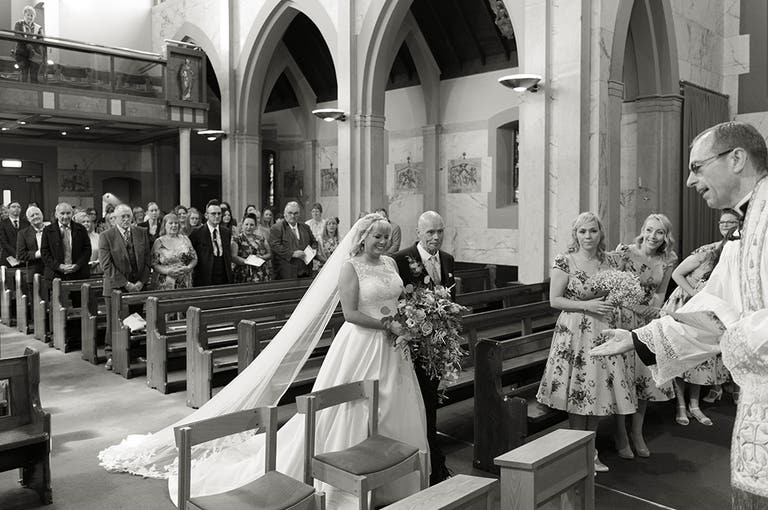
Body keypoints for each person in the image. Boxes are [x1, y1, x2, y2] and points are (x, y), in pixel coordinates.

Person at [99, 213, 428, 508]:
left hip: (392, 346)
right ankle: (342, 473)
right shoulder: (350, 266)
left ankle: (391, 476)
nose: (383, 242)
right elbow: (352, 313)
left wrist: (409, 320)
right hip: (362, 345)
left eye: (387, 237)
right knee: (352, 407)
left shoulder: (390, 264)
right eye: (377, 236)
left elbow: (397, 299)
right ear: (362, 237)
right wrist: (390, 325)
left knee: (393, 403)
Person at [591, 120, 768, 508]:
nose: (690, 181)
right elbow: (717, 309)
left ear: (736, 158)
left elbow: (732, 324)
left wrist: (736, 340)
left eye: (697, 167)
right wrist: (641, 339)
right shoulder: (746, 224)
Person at [535, 212, 635, 473]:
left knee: (596, 392)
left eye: (593, 231)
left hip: (602, 331)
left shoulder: (608, 261)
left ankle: (590, 449)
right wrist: (587, 305)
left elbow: (617, 289)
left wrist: (616, 301)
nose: (588, 236)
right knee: (577, 392)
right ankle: (579, 451)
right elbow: (554, 301)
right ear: (575, 234)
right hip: (575, 332)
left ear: (600, 233)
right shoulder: (564, 261)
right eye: (582, 231)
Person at [392, 211, 456, 485]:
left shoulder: (448, 260)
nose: (436, 237)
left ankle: (432, 457)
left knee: (431, 401)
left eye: (440, 231)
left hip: (438, 345)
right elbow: (395, 302)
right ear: (418, 233)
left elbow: (451, 299)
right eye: (430, 232)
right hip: (413, 346)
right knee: (419, 403)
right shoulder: (401, 259)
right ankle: (431, 461)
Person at [662, 210, 737, 426]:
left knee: (700, 359)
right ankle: (681, 406)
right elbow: (677, 274)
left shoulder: (732, 252)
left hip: (706, 310)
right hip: (686, 305)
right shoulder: (707, 251)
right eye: (723, 221)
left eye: (730, 222)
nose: (725, 225)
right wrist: (695, 293)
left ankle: (694, 405)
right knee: (682, 357)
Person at [612, 213, 677, 458]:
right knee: (623, 377)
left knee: (644, 378)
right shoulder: (626, 252)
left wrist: (654, 313)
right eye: (649, 230)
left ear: (665, 236)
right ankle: (620, 434)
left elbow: (661, 291)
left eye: (659, 232)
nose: (653, 236)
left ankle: (637, 432)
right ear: (642, 230)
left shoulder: (668, 258)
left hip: (646, 320)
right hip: (623, 317)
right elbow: (613, 285)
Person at [99, 204, 152, 370]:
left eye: (128, 216)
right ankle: (112, 354)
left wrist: (141, 283)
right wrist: (126, 284)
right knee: (115, 322)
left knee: (136, 320)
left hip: (137, 285)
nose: (126, 219)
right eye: (122, 216)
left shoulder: (140, 233)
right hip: (116, 287)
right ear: (114, 218)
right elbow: (106, 265)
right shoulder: (106, 236)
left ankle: (135, 353)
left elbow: (147, 260)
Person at [40, 203, 91, 343]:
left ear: (72, 214)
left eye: (68, 213)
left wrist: (77, 265)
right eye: (62, 213)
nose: (65, 216)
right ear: (56, 214)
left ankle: (76, 337)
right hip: (56, 274)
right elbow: (45, 252)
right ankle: (55, 336)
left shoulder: (80, 229)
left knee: (78, 305)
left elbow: (87, 250)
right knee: (56, 305)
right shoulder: (48, 230)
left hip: (78, 273)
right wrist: (59, 266)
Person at [16, 206, 46, 331]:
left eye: (37, 214)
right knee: (37, 302)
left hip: (52, 270)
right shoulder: (23, 233)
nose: (35, 217)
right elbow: (21, 255)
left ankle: (53, 329)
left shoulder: (50, 230)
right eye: (32, 215)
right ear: (28, 219)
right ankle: (40, 329)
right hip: (34, 271)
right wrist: (37, 254)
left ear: (42, 215)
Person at [269, 201, 317, 279]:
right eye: (290, 213)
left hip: (306, 270)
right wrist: (292, 254)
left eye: (296, 213)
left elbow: (314, 242)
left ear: (299, 215)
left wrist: (312, 251)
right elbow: (275, 246)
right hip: (286, 273)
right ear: (285, 214)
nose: (293, 216)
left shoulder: (305, 227)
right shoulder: (276, 228)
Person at [189, 201, 233, 286]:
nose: (217, 216)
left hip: (224, 276)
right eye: (213, 214)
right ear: (206, 215)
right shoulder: (197, 232)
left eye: (219, 213)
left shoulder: (226, 232)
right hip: (205, 276)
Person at [151, 213, 196, 290]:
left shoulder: (185, 239)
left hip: (185, 282)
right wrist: (167, 271)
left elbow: (194, 258)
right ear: (164, 225)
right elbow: (154, 264)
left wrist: (188, 268)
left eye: (176, 223)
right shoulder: (159, 242)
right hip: (165, 283)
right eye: (171, 223)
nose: (174, 225)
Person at [231, 213, 271, 283]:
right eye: (246, 224)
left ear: (256, 226)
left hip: (261, 273)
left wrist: (262, 257)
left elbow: (270, 254)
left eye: (252, 225)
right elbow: (233, 257)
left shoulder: (261, 238)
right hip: (244, 274)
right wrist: (248, 261)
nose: (249, 227)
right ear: (242, 225)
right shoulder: (236, 239)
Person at [13, 6, 45, 84]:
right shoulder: (19, 24)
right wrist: (28, 45)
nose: (30, 17)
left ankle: (34, 94)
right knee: (24, 76)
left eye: (32, 15)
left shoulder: (39, 28)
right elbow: (18, 36)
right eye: (28, 15)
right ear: (24, 15)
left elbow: (41, 40)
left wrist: (32, 47)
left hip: (34, 55)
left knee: (34, 78)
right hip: (22, 54)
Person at [0, 200, 28, 267]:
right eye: (13, 206)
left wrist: (22, 255)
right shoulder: (2, 224)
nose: (16, 208)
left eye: (19, 207)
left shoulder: (26, 223)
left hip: (23, 259)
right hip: (8, 258)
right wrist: (16, 254)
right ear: (8, 209)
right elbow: (4, 242)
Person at [73, 211, 101, 275]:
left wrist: (96, 261)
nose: (86, 224)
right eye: (83, 222)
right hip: (79, 271)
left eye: (88, 222)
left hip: (96, 270)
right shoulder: (73, 238)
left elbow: (102, 252)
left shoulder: (97, 236)